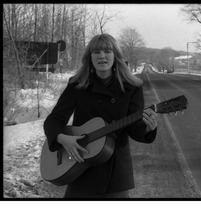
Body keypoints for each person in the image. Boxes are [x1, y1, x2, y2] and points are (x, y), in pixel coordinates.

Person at [43, 34, 157, 198]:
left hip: (115, 170)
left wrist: (148, 128)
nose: (101, 56)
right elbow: (54, 120)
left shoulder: (132, 87)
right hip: (81, 166)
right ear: (89, 57)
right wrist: (62, 138)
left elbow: (134, 129)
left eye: (107, 51)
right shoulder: (77, 85)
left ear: (115, 56)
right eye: (96, 52)